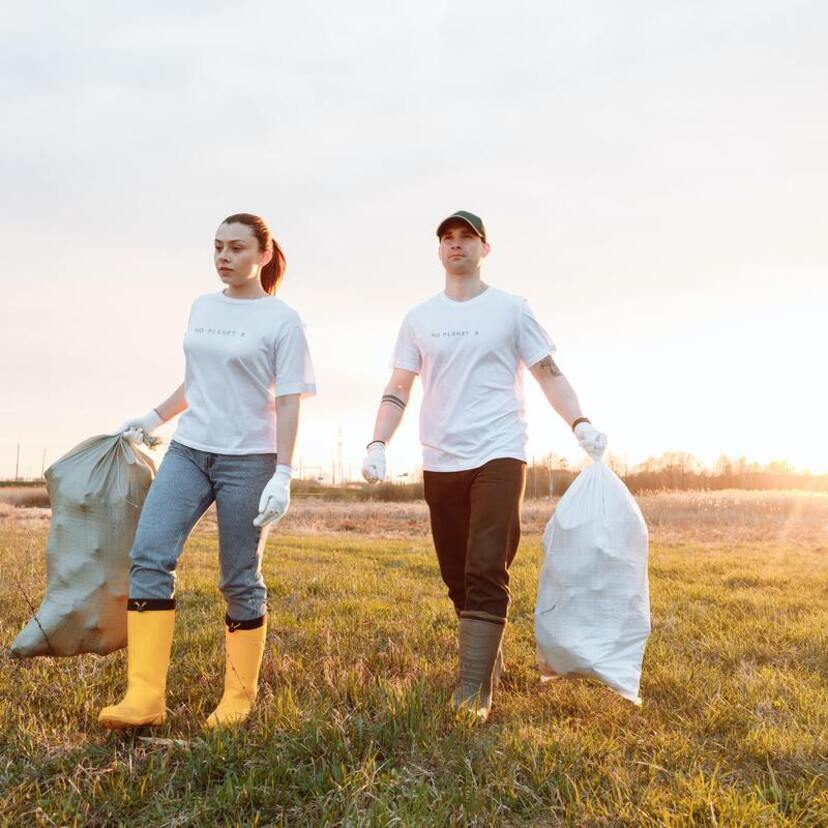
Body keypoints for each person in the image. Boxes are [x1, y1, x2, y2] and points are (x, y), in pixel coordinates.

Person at [362, 210, 606, 723]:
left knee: (485, 564)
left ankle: (473, 690)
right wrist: (378, 441)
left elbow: (548, 373)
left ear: (484, 249)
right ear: (439, 252)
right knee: (456, 573)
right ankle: (483, 663)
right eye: (447, 239)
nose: (456, 246)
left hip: (499, 451)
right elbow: (399, 386)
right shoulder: (419, 318)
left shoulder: (511, 310)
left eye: (466, 238)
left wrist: (579, 422)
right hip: (440, 457)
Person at [99, 213, 316, 730]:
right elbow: (195, 383)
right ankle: (144, 697)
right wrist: (152, 418)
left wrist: (283, 473)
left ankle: (239, 697)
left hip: (251, 461)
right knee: (150, 554)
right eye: (218, 247)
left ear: (263, 255)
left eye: (237, 248)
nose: (224, 257)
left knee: (239, 576)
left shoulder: (282, 321)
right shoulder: (202, 307)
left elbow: (288, 403)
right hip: (190, 451)